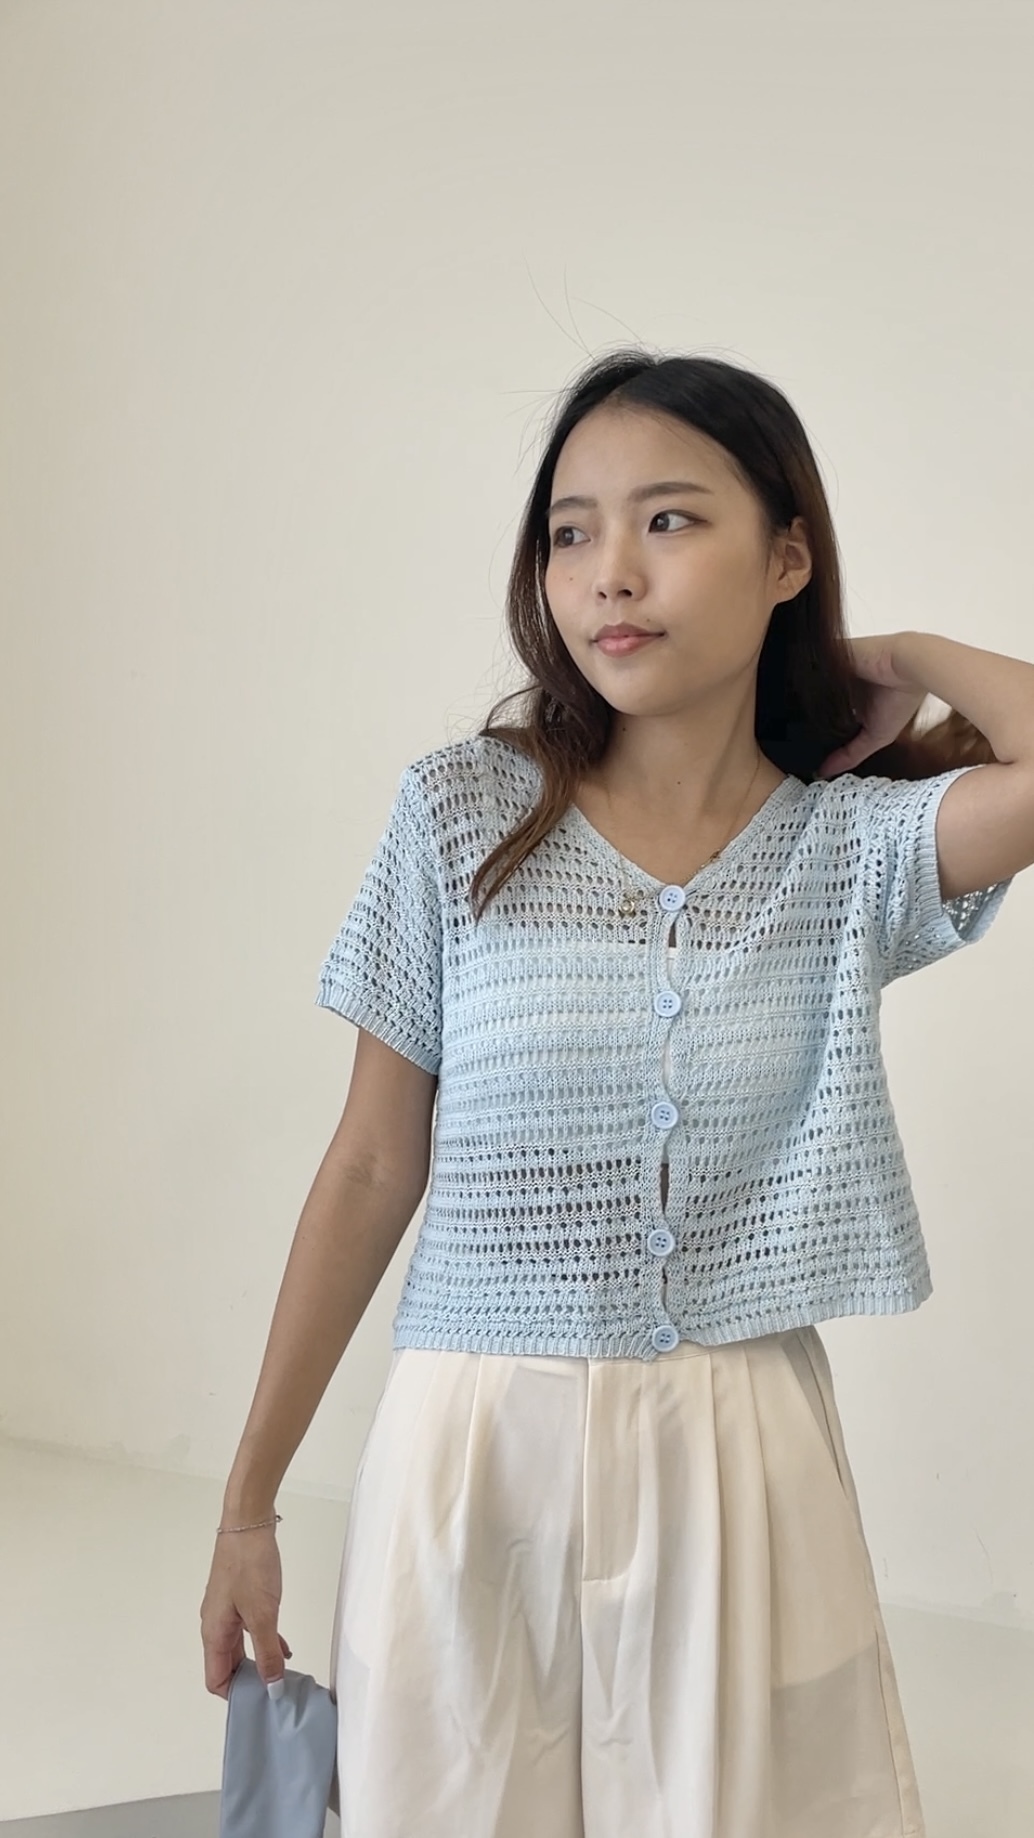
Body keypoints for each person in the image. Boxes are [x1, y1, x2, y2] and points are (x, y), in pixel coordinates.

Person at [200, 350, 1019, 1837]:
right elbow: (372, 1164)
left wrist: (887, 649)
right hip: (472, 1447)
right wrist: (247, 1504)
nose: (609, 573)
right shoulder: (461, 811)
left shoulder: (849, 850)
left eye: (669, 520)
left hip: (737, 1448)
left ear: (786, 555)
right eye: (569, 531)